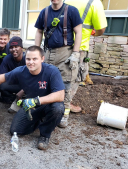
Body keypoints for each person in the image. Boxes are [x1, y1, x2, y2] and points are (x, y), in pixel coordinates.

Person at [0, 46, 65, 150]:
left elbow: (60, 95)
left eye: (35, 59)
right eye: (28, 59)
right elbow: (3, 77)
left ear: (42, 59)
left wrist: (36, 100)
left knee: (58, 109)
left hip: (48, 105)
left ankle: (45, 135)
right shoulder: (21, 71)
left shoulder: (52, 71)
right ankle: (39, 120)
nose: (31, 62)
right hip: (31, 107)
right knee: (15, 131)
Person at [34, 0, 82, 128]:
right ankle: (45, 112)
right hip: (47, 52)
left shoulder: (71, 11)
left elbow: (78, 32)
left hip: (65, 53)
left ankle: (64, 116)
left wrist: (76, 53)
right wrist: (35, 52)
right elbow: (39, 32)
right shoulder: (44, 12)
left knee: (65, 85)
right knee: (44, 84)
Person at [65, 0, 107, 112]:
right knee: (76, 77)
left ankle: (56, 101)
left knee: (61, 75)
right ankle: (66, 105)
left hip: (61, 46)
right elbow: (101, 29)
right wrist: (93, 32)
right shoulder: (94, 3)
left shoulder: (65, 1)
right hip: (80, 48)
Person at [0, 36, 26, 104]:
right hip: (15, 84)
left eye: (16, 47)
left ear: (21, 48)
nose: (14, 49)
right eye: (11, 47)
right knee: (1, 86)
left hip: (27, 85)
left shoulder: (27, 59)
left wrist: (23, 90)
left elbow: (35, 79)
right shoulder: (7, 59)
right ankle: (13, 99)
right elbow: (2, 75)